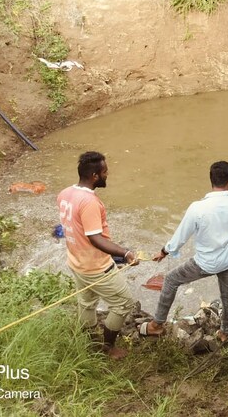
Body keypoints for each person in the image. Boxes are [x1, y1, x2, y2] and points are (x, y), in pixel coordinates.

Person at [142, 161, 228, 340]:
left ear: (211, 180)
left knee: (171, 280)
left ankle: (156, 324)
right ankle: (225, 332)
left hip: (206, 263)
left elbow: (180, 236)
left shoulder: (197, 207)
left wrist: (165, 251)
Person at [57, 151, 139, 360]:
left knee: (86, 303)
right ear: (94, 176)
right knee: (124, 303)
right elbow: (95, 238)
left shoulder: (65, 193)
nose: (107, 174)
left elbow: (71, 227)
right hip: (97, 267)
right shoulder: (90, 202)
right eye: (105, 171)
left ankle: (90, 341)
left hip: (76, 263)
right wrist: (125, 253)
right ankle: (108, 347)